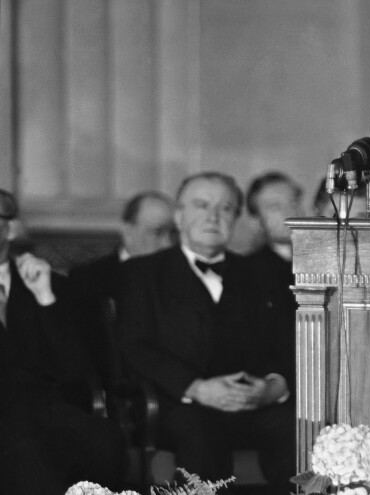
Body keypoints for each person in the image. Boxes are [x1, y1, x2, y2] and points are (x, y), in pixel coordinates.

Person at [118, 172, 296, 494]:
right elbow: (134, 347)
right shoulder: (142, 274)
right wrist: (196, 388)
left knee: (298, 429)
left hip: (253, 404)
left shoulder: (262, 274)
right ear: (179, 215)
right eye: (201, 205)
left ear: (236, 217)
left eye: (225, 208)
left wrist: (273, 387)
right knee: (199, 433)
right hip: (182, 405)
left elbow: (286, 346)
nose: (213, 217)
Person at [0, 189, 126, 495]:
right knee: (27, 450)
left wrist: (45, 298)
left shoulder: (50, 283)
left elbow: (74, 370)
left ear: (12, 228)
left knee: (106, 441)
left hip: (47, 407)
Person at [69, 191, 176, 384]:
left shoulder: (182, 276)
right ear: (128, 231)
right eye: (158, 232)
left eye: (173, 233)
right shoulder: (89, 279)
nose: (168, 243)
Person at [244, 171, 304, 384]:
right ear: (256, 221)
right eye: (275, 207)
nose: (290, 211)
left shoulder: (327, 262)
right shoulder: (245, 273)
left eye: (293, 201)